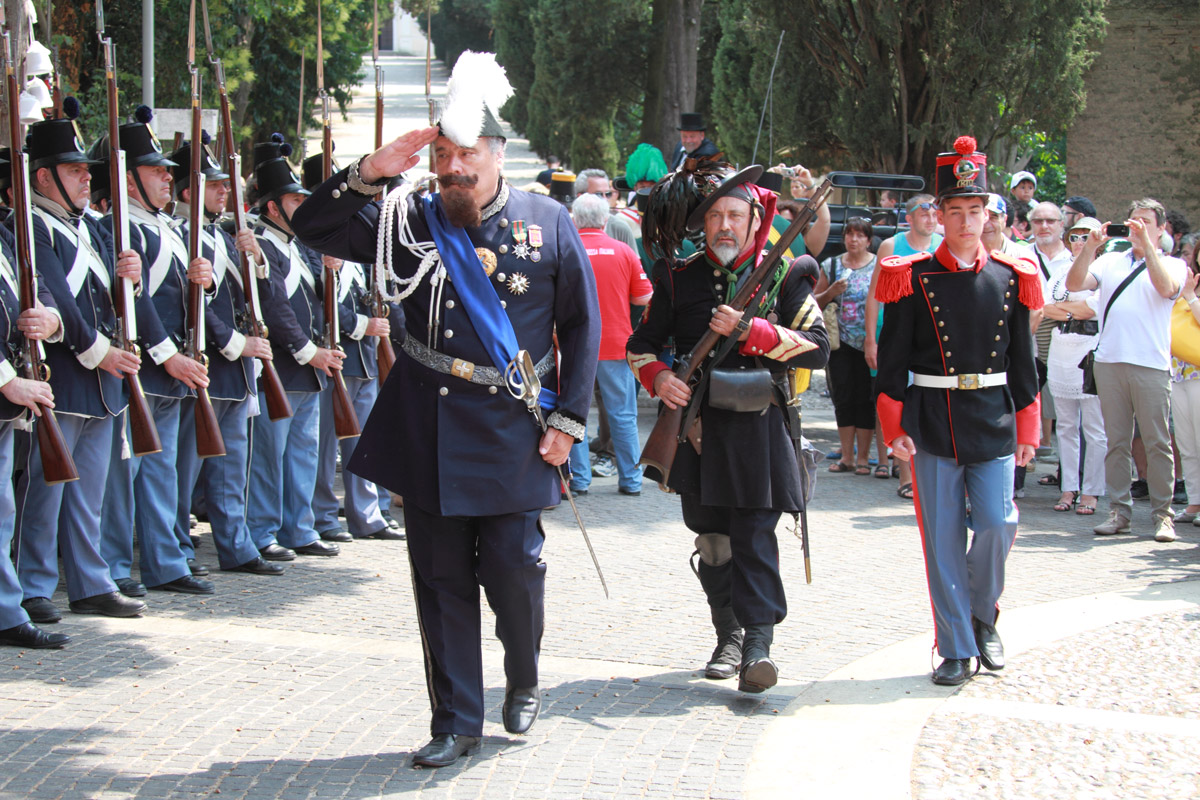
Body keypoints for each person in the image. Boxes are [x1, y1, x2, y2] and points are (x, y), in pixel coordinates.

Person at [291, 52, 600, 767]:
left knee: (514, 572)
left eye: (469, 154)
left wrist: (568, 421)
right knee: (441, 582)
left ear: (497, 155)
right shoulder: (406, 217)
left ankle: (522, 673)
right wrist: (371, 169)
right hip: (427, 426)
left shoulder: (546, 221)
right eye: (445, 155)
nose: (455, 168)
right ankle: (455, 720)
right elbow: (314, 226)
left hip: (514, 428)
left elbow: (582, 329)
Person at [627, 164, 829, 693]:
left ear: (754, 218)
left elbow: (818, 347)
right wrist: (661, 377)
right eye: (714, 215)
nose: (724, 225)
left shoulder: (787, 272)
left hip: (761, 429)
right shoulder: (678, 276)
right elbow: (640, 346)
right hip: (697, 431)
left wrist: (751, 330)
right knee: (713, 539)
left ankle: (758, 645)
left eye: (735, 215)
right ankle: (728, 634)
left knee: (756, 535)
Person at [875, 135, 1041, 686]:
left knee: (998, 522)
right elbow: (892, 361)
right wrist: (894, 427)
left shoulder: (1012, 277)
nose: (968, 222)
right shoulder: (912, 276)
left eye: (976, 211)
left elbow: (1022, 360)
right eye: (956, 212)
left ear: (989, 214)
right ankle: (954, 647)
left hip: (993, 416)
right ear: (938, 215)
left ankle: (981, 613)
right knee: (942, 539)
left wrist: (1028, 426)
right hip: (931, 420)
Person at [12, 118, 147, 624]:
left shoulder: (90, 228)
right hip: (67, 375)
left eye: (86, 170)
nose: (87, 178)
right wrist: (102, 354)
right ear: (43, 178)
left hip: (100, 378)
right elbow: (58, 303)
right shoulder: (27, 227)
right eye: (73, 170)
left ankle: (90, 582)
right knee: (46, 493)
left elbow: (106, 305)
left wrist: (127, 283)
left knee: (88, 492)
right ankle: (33, 585)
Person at [99, 107, 217, 598]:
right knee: (123, 474)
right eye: (155, 172)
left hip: (170, 366)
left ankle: (166, 561)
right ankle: (112, 567)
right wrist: (169, 355)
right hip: (144, 365)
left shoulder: (164, 226)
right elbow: (137, 302)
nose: (167, 178)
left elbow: (179, 295)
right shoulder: (117, 228)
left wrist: (205, 287)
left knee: (160, 469)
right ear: (128, 181)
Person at [167, 136, 285, 577]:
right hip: (210, 365)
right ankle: (178, 550)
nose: (224, 192)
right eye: (214, 185)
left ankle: (236, 545)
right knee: (185, 469)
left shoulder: (226, 235)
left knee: (233, 465)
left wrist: (256, 261)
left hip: (236, 370)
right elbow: (195, 308)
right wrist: (238, 345)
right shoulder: (180, 234)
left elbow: (262, 300)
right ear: (187, 191)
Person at [1066, 199, 1188, 542]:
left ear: (1161, 228)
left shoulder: (1175, 264)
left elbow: (1166, 289)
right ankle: (1119, 512)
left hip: (1150, 364)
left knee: (1157, 442)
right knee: (1116, 442)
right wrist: (1089, 248)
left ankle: (1163, 517)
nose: (1137, 227)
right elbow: (1075, 284)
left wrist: (1148, 246)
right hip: (1110, 362)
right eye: (1133, 221)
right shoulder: (1109, 261)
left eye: (1146, 222)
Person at [247, 135, 345, 560]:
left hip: (307, 366)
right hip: (284, 366)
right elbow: (276, 310)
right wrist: (311, 352)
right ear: (273, 207)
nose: (302, 208)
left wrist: (332, 271)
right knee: (270, 458)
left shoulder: (299, 246)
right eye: (293, 200)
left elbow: (318, 305)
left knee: (301, 455)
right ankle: (263, 530)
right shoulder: (258, 244)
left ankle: (299, 527)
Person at [299, 151, 401, 543]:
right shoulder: (309, 241)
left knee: (363, 440)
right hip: (330, 355)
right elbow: (312, 304)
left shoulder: (358, 235)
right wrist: (362, 324)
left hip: (363, 356)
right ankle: (324, 515)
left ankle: (367, 514)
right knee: (327, 446)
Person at [0, 190, 69, 648]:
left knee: (3, 511)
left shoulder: (7, 237)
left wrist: (50, 320)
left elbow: (39, 287)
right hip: (5, 388)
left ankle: (6, 611)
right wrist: (7, 381)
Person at [566, 193, 651, 496]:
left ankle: (579, 480)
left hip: (574, 346)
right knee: (623, 415)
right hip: (616, 342)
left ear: (574, 219)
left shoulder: (566, 250)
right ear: (605, 219)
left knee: (574, 415)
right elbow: (643, 296)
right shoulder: (624, 251)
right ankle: (630, 480)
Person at [865, 193, 942, 498]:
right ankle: (905, 476)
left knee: (927, 405)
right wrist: (871, 339)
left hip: (931, 342)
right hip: (895, 339)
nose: (931, 218)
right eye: (924, 213)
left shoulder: (943, 246)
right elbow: (874, 296)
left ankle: (927, 472)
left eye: (935, 213)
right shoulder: (891, 246)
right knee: (896, 401)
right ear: (909, 218)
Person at [1043, 217, 1105, 515]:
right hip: (1062, 349)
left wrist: (1067, 311)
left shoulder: (1104, 270)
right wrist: (1073, 313)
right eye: (1075, 237)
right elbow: (1045, 306)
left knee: (1094, 427)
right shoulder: (1060, 273)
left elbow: (1092, 308)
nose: (1079, 242)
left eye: (1086, 237)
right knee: (1066, 426)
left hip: (1091, 350)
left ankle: (1092, 490)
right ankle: (1069, 486)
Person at [815, 217, 879, 476]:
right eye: (850, 234)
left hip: (868, 341)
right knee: (843, 398)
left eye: (860, 235)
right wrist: (831, 292)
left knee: (866, 399)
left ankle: (863, 457)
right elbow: (814, 302)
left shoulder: (878, 265)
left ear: (869, 239)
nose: (854, 239)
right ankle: (847, 455)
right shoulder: (830, 266)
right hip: (838, 342)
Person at [1172, 244, 1200, 527]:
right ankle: (1194, 501)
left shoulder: (1190, 291)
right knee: (1187, 443)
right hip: (1179, 373)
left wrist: (1191, 297)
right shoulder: (1189, 282)